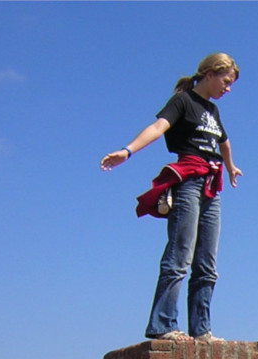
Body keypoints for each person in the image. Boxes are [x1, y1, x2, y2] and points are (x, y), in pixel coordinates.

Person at [100, 52, 243, 341]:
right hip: (188, 182)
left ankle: (201, 330)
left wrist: (230, 167)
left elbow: (224, 142)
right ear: (209, 74)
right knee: (180, 255)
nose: (227, 89)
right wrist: (127, 151)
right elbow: (157, 127)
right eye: (225, 82)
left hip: (211, 187)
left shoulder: (213, 111)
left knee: (207, 263)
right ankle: (163, 325)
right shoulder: (183, 101)